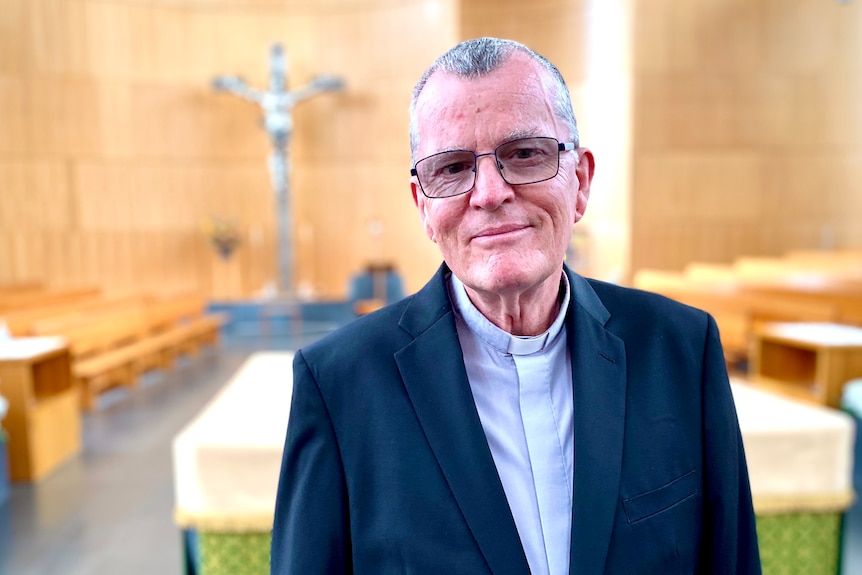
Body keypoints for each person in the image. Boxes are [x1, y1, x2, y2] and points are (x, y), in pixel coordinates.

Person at [270, 37, 761, 574]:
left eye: (525, 153)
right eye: (452, 167)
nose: (489, 193)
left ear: (580, 181)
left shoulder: (682, 349)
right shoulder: (338, 384)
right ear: (423, 207)